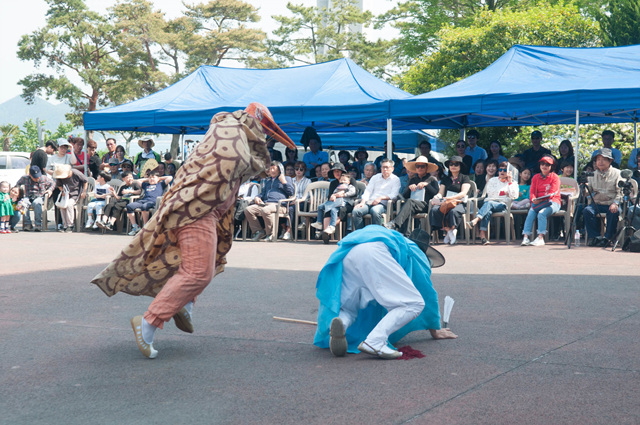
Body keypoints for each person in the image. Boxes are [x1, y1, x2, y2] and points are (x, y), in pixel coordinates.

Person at [91, 102, 296, 359]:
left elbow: (242, 166)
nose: (263, 136)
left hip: (200, 210)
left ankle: (183, 304)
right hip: (195, 210)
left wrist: (261, 154)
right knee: (198, 272)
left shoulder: (228, 133)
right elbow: (239, 161)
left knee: (198, 267)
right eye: (263, 129)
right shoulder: (230, 130)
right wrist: (261, 155)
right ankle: (148, 323)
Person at [313, 226, 456, 359]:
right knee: (413, 304)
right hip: (375, 254)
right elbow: (426, 292)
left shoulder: (396, 239)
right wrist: (435, 329)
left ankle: (341, 324)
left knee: (349, 309)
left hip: (349, 255)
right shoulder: (416, 254)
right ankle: (375, 341)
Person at [466, 161, 519, 245]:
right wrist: (504, 193)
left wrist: (509, 182)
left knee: (489, 203)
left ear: (509, 172)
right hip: (490, 203)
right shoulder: (492, 180)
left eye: (504, 170)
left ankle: (476, 220)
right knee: (488, 211)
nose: (502, 172)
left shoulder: (513, 183)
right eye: (500, 170)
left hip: (502, 204)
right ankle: (483, 237)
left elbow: (514, 196)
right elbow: (490, 193)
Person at [385, 156, 439, 237]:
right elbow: (404, 195)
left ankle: (395, 223)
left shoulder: (432, 179)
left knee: (409, 202)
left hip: (426, 205)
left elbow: (436, 193)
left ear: (426, 167)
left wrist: (427, 185)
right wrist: (410, 188)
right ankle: (407, 235)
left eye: (422, 166)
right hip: (412, 205)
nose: (420, 168)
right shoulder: (413, 179)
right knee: (409, 206)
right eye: (418, 166)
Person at [245, 161, 295, 242]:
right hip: (266, 204)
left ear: (280, 170)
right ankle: (259, 231)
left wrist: (284, 182)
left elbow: (291, 192)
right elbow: (262, 193)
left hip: (279, 205)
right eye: (270, 169)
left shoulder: (287, 178)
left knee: (266, 210)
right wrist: (257, 197)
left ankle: (271, 234)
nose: (271, 171)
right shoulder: (268, 181)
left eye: (273, 168)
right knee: (248, 210)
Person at [583, 148, 623, 247]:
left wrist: (615, 203)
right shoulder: (592, 174)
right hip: (597, 203)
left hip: (611, 203)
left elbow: (620, 191)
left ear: (610, 161)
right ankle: (595, 237)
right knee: (587, 210)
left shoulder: (618, 173)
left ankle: (608, 237)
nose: (600, 162)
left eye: (604, 159)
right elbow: (587, 193)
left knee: (614, 211)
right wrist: (585, 187)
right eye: (598, 159)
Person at [429, 156, 471, 245]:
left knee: (453, 211)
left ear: (460, 166)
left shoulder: (465, 177)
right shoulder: (445, 179)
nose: (453, 166)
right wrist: (437, 196)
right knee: (434, 210)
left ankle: (451, 231)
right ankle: (449, 231)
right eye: (451, 164)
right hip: (447, 202)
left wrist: (450, 198)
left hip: (459, 202)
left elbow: (463, 193)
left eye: (456, 164)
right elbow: (441, 192)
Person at [521, 155, 560, 247]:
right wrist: (533, 199)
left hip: (552, 202)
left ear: (551, 167)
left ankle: (540, 238)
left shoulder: (555, 177)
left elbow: (552, 193)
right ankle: (525, 237)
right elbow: (532, 192)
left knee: (542, 213)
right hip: (538, 203)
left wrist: (540, 200)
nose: (544, 166)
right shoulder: (535, 177)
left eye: (547, 164)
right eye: (542, 164)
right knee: (531, 212)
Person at [352, 158, 400, 229]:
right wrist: (362, 202)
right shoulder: (375, 177)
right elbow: (368, 191)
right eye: (383, 167)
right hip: (370, 202)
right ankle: (361, 234)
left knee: (375, 211)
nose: (385, 169)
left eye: (387, 167)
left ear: (392, 169)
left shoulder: (395, 179)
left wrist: (381, 198)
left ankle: (376, 234)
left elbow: (394, 195)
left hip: (383, 204)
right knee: (356, 211)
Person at [126, 170, 173, 236]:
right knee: (129, 206)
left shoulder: (160, 184)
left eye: (153, 177)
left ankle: (145, 227)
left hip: (154, 201)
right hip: (144, 200)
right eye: (150, 177)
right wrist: (148, 179)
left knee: (144, 207)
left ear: (158, 178)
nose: (151, 179)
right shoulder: (146, 185)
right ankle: (135, 227)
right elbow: (138, 181)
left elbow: (170, 177)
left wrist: (159, 178)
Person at [311, 171, 356, 240]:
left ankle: (331, 227)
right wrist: (333, 196)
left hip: (343, 202)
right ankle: (319, 222)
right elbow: (333, 193)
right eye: (341, 180)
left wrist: (344, 194)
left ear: (349, 181)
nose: (343, 181)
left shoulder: (350, 186)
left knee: (333, 210)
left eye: (345, 180)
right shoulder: (338, 186)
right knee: (320, 207)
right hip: (334, 202)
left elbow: (353, 192)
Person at [15, 165, 55, 232]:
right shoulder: (25, 178)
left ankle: (38, 224)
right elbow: (17, 184)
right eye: (35, 177)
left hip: (40, 197)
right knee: (24, 203)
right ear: (30, 175)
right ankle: (27, 224)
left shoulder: (43, 178)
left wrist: (50, 190)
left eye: (38, 176)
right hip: (28, 196)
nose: (37, 178)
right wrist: (19, 190)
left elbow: (53, 183)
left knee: (36, 203)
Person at [53, 164, 89, 232]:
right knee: (62, 206)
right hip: (66, 194)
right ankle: (65, 225)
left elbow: (85, 181)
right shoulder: (59, 177)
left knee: (69, 205)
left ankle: (70, 225)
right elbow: (59, 185)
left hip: (76, 194)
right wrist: (62, 191)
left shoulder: (76, 173)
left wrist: (84, 191)